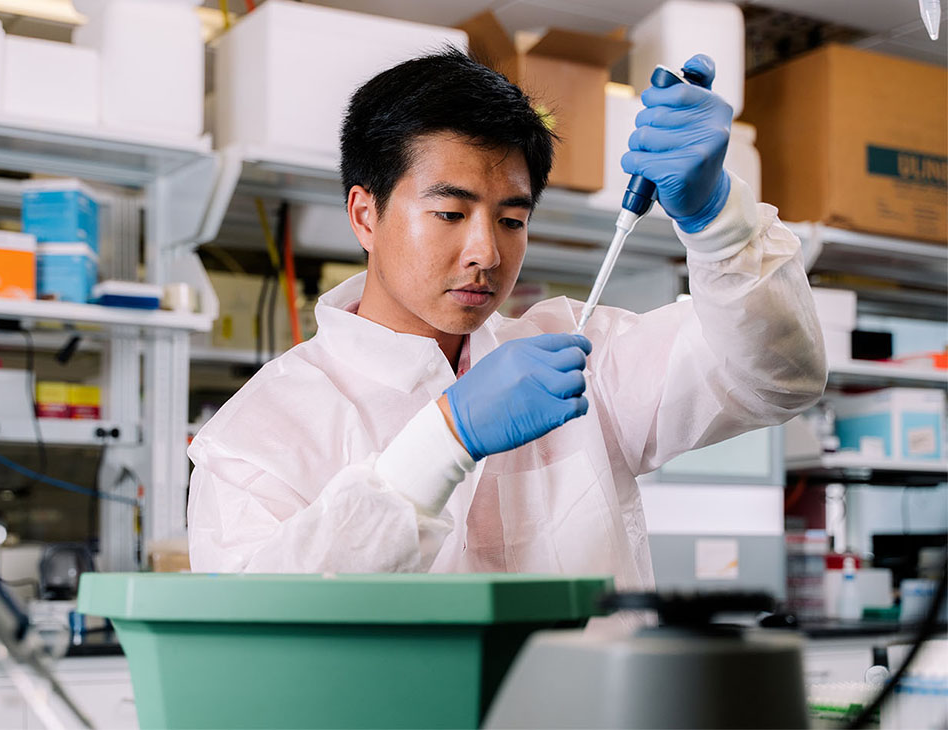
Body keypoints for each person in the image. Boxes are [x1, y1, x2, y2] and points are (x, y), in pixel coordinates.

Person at [187, 49, 827, 594]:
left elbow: (778, 378)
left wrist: (719, 223)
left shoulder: (576, 359)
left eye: (512, 220)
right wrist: (443, 441)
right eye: (449, 213)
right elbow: (259, 630)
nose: (487, 253)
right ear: (364, 215)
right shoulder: (258, 433)